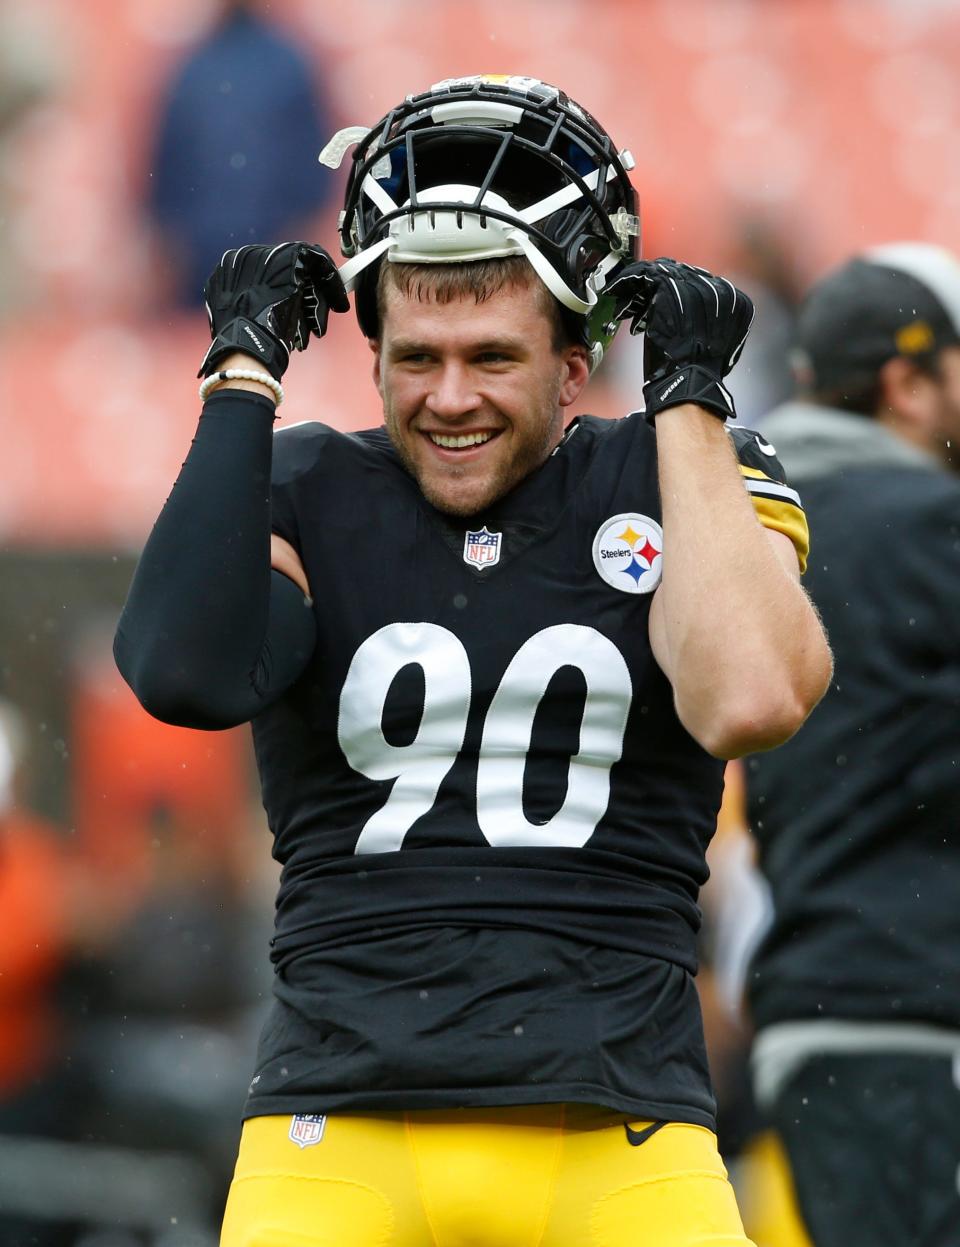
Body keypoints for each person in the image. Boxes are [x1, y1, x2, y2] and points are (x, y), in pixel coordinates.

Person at [115, 75, 831, 1246]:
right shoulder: (308, 484)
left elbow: (751, 695)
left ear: (574, 359)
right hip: (337, 1128)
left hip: (620, 1127)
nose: (451, 398)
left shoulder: (678, 469)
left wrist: (689, 402)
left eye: (493, 356)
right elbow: (182, 668)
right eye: (418, 356)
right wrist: (242, 375)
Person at [743, 243, 960, 1247]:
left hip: (819, 1012)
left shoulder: (754, 532)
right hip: (923, 1017)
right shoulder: (934, 523)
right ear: (907, 383)